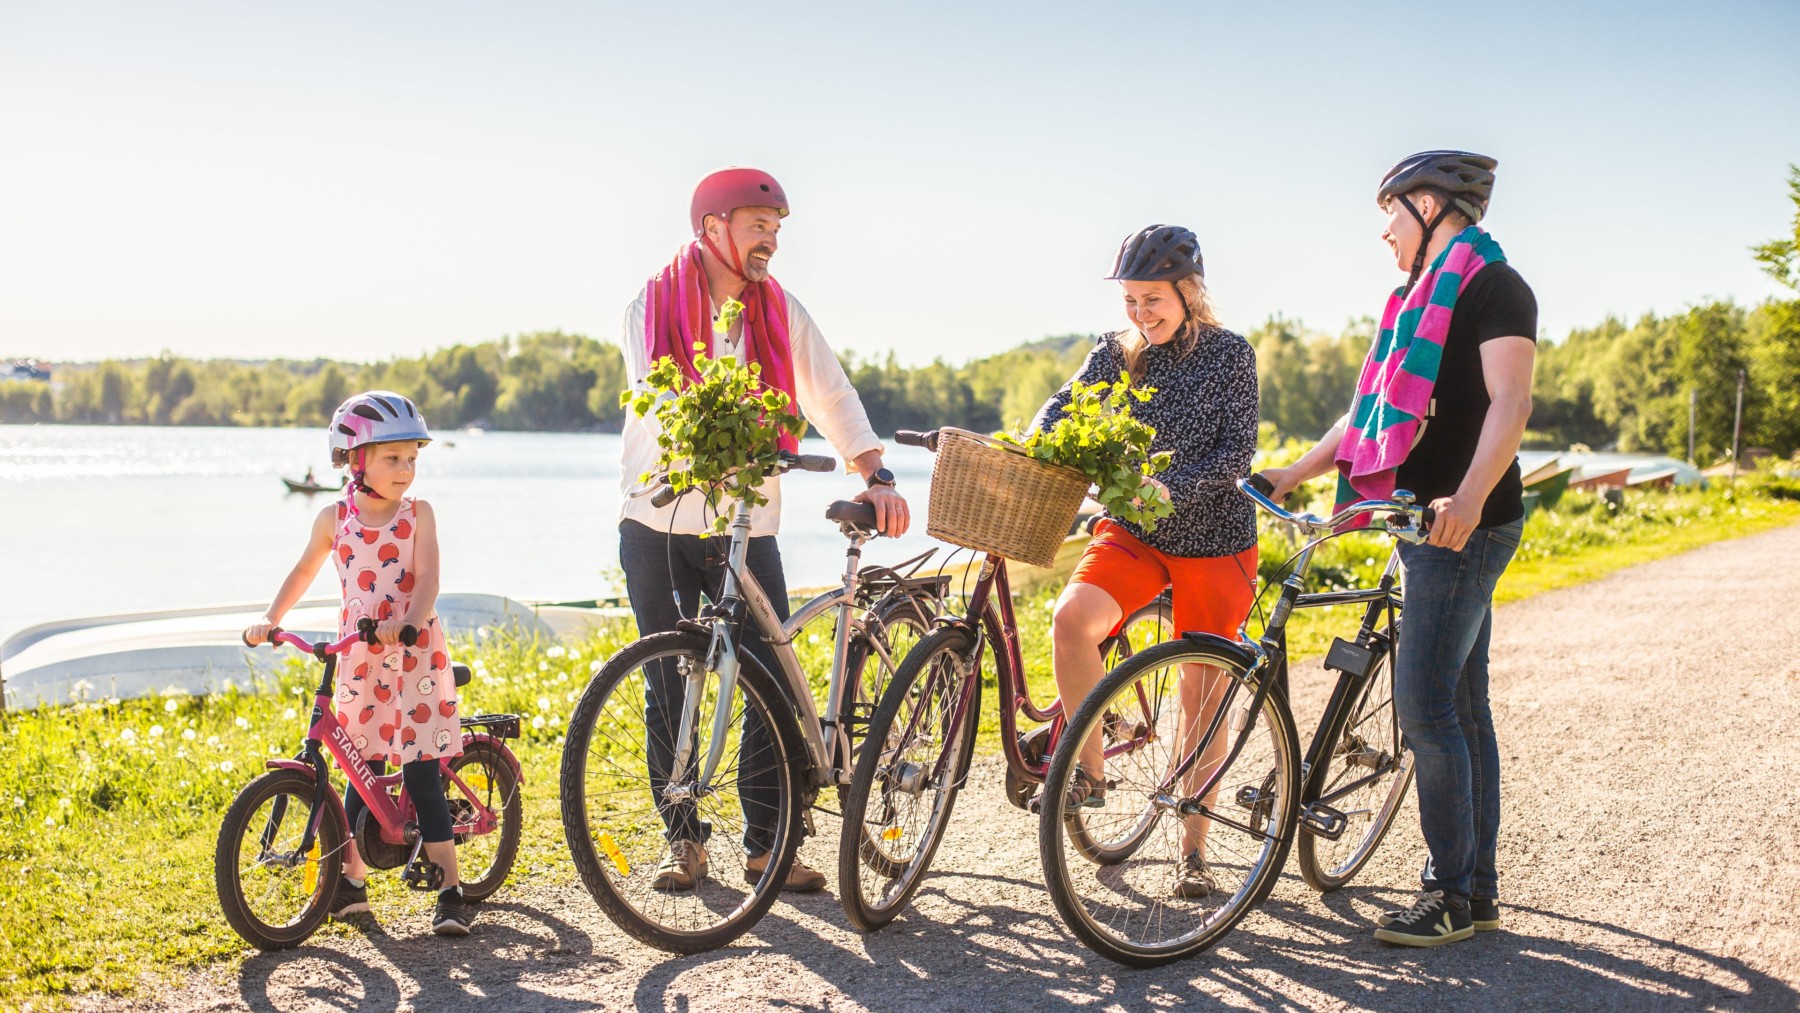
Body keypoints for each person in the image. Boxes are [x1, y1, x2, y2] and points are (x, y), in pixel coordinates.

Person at [1260, 150, 1536, 946]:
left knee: (1425, 708)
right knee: (1463, 705)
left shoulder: (1492, 286)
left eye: (1389, 210)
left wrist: (1473, 495)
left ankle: (1448, 894)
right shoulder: (1411, 303)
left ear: (1428, 203)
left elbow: (1510, 402)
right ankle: (1476, 892)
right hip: (1422, 523)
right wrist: (1293, 471)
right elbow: (1369, 414)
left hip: (1467, 526)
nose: (1383, 230)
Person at [617, 166, 910, 894]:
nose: (770, 241)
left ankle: (765, 844)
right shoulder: (650, 306)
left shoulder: (779, 311)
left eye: (776, 229)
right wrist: (722, 447)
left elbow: (828, 391)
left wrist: (875, 472)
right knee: (667, 680)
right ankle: (682, 840)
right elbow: (662, 399)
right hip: (657, 517)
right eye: (758, 226)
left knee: (771, 678)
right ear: (713, 228)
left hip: (747, 524)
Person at [1026, 225, 1260, 899]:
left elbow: (1236, 455)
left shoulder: (1229, 355)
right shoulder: (1117, 353)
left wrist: (1174, 484)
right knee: (1072, 621)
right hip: (1138, 532)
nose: (1140, 313)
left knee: (1201, 693)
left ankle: (1193, 850)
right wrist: (1040, 446)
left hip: (1215, 539)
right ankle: (1090, 771)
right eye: (1130, 299)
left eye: (1151, 298)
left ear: (1189, 291)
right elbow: (1057, 411)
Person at [244, 391, 474, 936]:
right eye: (393, 458)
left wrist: (410, 622)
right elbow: (303, 571)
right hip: (360, 657)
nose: (405, 470)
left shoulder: (418, 514)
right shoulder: (334, 517)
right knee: (357, 764)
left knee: (419, 773)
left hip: (413, 652)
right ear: (355, 460)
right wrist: (270, 618)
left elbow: (428, 579)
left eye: (412, 458)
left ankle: (451, 889)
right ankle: (350, 882)